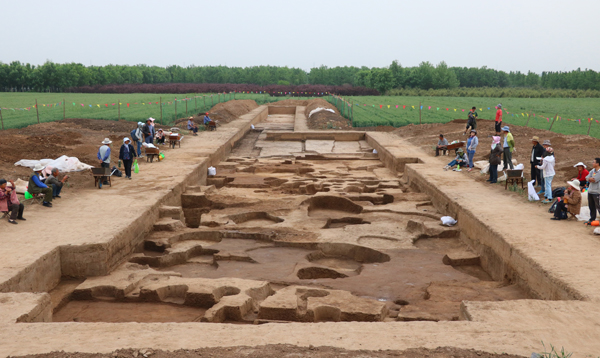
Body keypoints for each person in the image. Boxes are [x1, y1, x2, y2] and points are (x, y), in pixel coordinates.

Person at [585, 158, 600, 225]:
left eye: (593, 162)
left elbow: (595, 179)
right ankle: (592, 219)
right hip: (590, 191)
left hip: (597, 192)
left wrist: (590, 179)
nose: (592, 163)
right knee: (591, 206)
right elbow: (586, 177)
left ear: (597, 164)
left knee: (598, 206)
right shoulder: (592, 170)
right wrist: (590, 179)